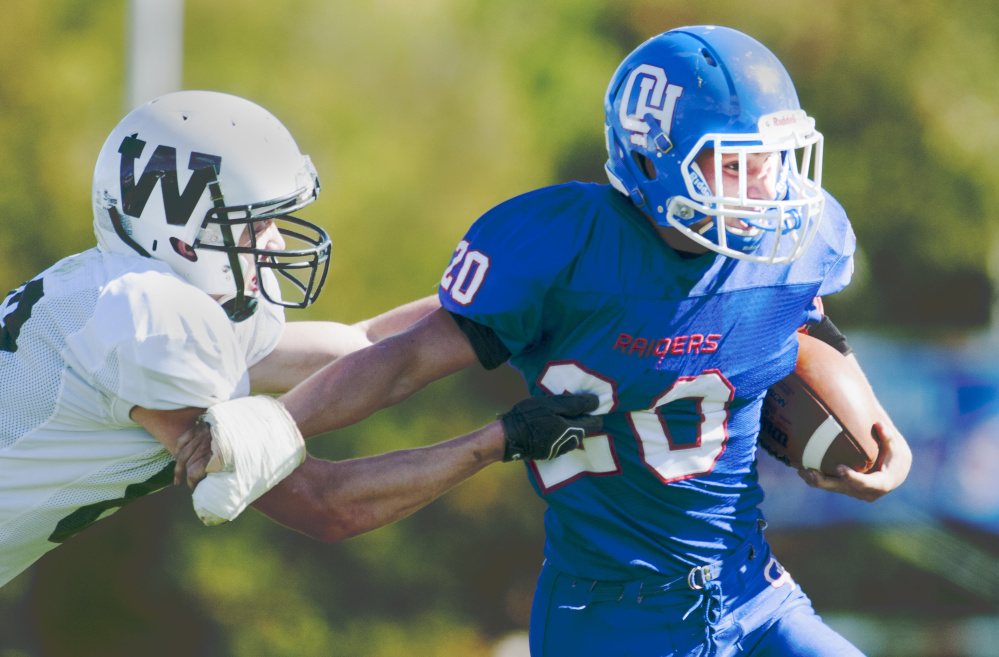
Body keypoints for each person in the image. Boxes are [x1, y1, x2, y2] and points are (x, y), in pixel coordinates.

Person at [181, 26, 912, 656]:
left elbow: (805, 323)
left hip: (750, 589)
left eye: (770, 159)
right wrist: (266, 423)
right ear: (654, 157)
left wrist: (879, 431)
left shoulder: (795, 243)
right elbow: (397, 359)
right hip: (607, 617)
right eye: (734, 163)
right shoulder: (567, 252)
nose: (763, 186)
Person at [0, 89, 598, 588]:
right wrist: (499, 441)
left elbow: (362, 349)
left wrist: (509, 297)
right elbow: (326, 505)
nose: (277, 242)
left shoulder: (128, 296)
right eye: (254, 223)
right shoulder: (153, 323)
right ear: (182, 237)